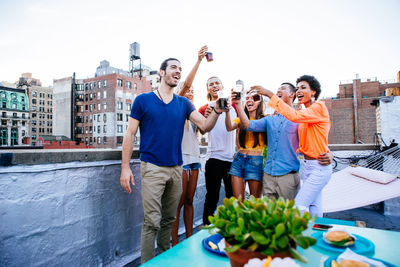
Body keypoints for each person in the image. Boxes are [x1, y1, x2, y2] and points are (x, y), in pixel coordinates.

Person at [120, 56, 224, 264]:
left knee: (169, 219)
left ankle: (166, 260)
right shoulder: (143, 100)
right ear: (161, 72)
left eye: (180, 68)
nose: (177, 71)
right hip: (152, 168)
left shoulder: (184, 103)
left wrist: (218, 112)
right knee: (152, 221)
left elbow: (204, 125)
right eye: (173, 67)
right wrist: (125, 168)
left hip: (177, 169)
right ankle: (149, 263)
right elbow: (130, 134)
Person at [235, 83, 332, 203]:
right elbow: (247, 125)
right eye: (278, 88)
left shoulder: (300, 119)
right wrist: (238, 105)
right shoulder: (269, 119)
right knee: (269, 216)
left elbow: (316, 137)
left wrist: (328, 152)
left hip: (288, 178)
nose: (278, 90)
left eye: (282, 88)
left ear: (292, 94)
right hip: (268, 177)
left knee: (289, 216)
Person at [171, 46, 208, 246]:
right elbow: (185, 85)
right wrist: (199, 61)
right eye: (188, 91)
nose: (190, 92)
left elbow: (203, 130)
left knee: (190, 201)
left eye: (193, 91)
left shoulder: (194, 112)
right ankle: (175, 243)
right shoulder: (176, 105)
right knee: (177, 203)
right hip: (181, 161)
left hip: (195, 160)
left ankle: (190, 238)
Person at [199, 76, 236, 225]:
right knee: (212, 197)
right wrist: (207, 116)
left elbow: (239, 129)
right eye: (210, 84)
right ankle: (205, 229)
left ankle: (232, 229)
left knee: (232, 197)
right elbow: (201, 131)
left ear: (222, 85)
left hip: (232, 159)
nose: (214, 86)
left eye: (217, 83)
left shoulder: (234, 105)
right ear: (208, 89)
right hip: (213, 158)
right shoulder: (204, 108)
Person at [225, 90, 266, 198]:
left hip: (256, 161)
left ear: (260, 102)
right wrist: (227, 111)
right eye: (247, 98)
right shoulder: (239, 120)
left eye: (255, 98)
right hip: (239, 160)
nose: (250, 100)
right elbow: (229, 127)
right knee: (238, 202)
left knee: (254, 203)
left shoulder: (265, 119)